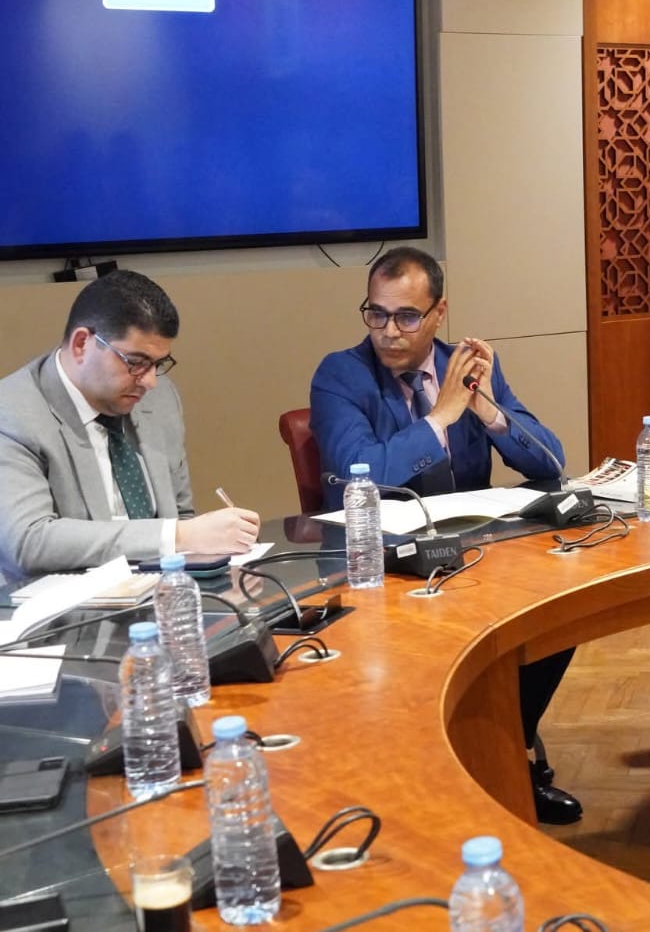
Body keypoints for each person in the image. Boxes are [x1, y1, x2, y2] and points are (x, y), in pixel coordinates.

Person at [309, 247, 581, 825]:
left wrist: (487, 410)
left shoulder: (467, 367)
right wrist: (440, 419)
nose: (389, 331)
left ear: (439, 313)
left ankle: (507, 757)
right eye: (377, 313)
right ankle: (438, 773)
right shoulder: (341, 374)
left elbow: (550, 460)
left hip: (472, 553)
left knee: (558, 613)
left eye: (407, 316)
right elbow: (362, 473)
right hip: (381, 564)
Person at [0, 270, 260, 583]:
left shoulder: (160, 400)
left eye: (158, 364)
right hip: (62, 604)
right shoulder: (13, 412)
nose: (150, 381)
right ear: (82, 344)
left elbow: (181, 514)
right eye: (135, 362)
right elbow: (29, 540)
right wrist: (178, 535)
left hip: (162, 592)